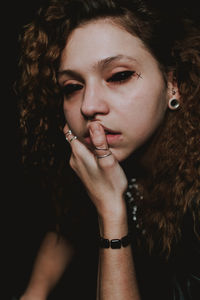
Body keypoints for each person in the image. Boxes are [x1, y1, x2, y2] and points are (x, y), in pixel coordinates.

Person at [15, 0, 200, 299]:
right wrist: (35, 291)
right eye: (72, 87)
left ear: (173, 82)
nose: (88, 106)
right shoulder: (108, 164)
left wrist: (111, 212)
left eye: (119, 76)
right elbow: (67, 223)